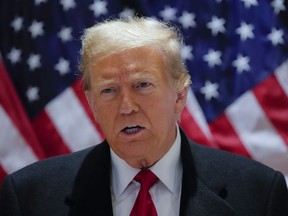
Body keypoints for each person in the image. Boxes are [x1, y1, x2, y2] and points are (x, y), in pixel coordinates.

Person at [0, 17, 287, 216]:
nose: (126, 106)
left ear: (179, 94)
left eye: (142, 85)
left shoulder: (259, 192)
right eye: (109, 90)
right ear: (92, 104)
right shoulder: (29, 197)